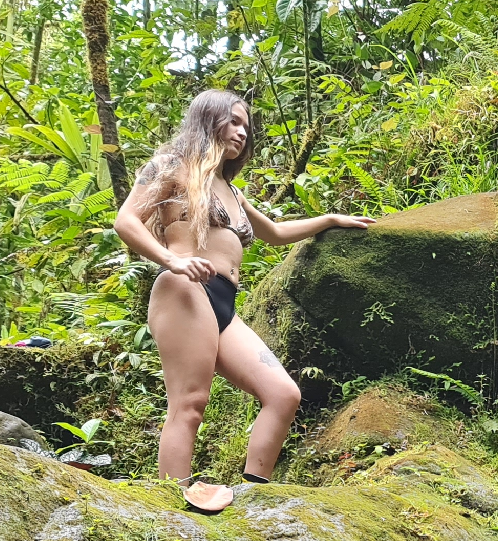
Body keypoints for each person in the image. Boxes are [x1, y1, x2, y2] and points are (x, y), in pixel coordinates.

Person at [113, 88, 371, 512]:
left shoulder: (230, 190)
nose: (241, 132)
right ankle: (172, 503)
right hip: (184, 290)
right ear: (207, 119)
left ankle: (253, 493)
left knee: (283, 394)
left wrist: (330, 219)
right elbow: (126, 220)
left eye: (245, 126)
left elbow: (274, 232)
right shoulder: (173, 166)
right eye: (233, 121)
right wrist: (170, 261)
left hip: (223, 305)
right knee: (190, 403)